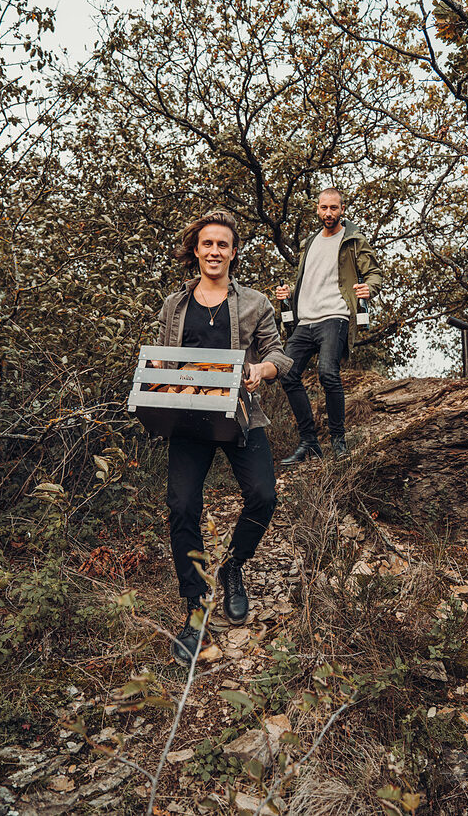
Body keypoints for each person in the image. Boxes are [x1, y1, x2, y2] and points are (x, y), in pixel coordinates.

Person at [154, 210, 293, 666]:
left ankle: (233, 565)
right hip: (188, 421)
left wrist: (261, 368)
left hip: (241, 417)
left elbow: (279, 353)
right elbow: (163, 360)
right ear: (196, 249)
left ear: (233, 253)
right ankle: (195, 611)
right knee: (182, 507)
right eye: (207, 244)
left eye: (223, 246)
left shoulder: (255, 303)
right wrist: (157, 376)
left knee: (263, 495)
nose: (215, 252)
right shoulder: (174, 306)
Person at [275, 188, 382, 463]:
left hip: (335, 316)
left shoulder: (353, 240)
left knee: (327, 373)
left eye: (333, 208)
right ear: (317, 208)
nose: (328, 213)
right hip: (305, 320)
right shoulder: (310, 242)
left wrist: (369, 288)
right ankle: (309, 442)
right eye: (324, 208)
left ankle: (338, 440)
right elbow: (310, 279)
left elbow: (374, 273)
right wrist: (290, 296)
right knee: (287, 373)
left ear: (342, 209)